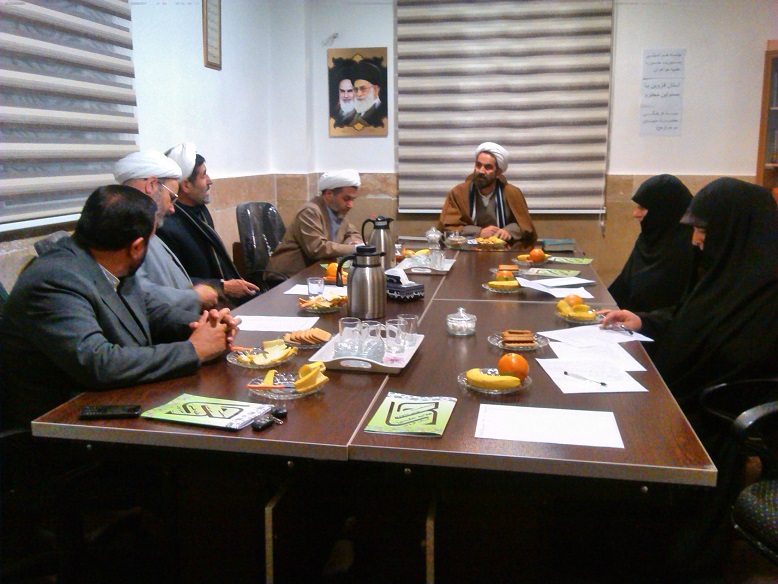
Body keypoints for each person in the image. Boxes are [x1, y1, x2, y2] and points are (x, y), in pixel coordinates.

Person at [602, 177, 778, 578]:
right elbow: (687, 316)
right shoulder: (726, 274)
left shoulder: (768, 292)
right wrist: (644, 320)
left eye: (703, 230)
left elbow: (738, 361)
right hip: (680, 399)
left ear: (734, 231)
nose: (696, 241)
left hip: (717, 423)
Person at [0, 185, 239, 431]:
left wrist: (205, 325)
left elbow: (151, 311)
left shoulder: (110, 261)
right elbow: (98, 363)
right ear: (136, 247)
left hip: (112, 408)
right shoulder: (54, 280)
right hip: (59, 428)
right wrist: (194, 350)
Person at [113, 151, 219, 314]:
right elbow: (138, 293)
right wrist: (194, 297)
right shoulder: (125, 230)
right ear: (151, 185)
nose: (172, 208)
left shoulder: (149, 226)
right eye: (171, 197)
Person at [157, 142, 259, 306]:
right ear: (186, 185)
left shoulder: (200, 211)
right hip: (201, 307)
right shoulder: (166, 224)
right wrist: (222, 286)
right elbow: (174, 281)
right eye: (203, 176)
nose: (210, 180)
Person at [607, 174, 694, 313]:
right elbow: (622, 286)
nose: (635, 213)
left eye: (642, 208)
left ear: (662, 210)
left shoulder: (686, 251)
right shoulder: (648, 240)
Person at [437, 142, 537, 249]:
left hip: (503, 249)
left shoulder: (512, 193)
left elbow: (525, 226)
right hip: (470, 247)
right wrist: (479, 232)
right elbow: (449, 227)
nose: (481, 171)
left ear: (498, 172)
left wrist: (508, 231)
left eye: (488, 167)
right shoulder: (458, 193)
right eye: (478, 165)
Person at [266, 169, 364, 278]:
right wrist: (356, 248)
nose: (350, 205)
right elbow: (317, 248)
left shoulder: (337, 210)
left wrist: (353, 243)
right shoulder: (310, 212)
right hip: (287, 277)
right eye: (346, 199)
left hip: (315, 273)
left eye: (352, 200)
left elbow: (351, 233)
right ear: (328, 194)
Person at [348, 61, 387, 129]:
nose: (358, 94)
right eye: (356, 89)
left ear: (375, 90)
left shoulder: (383, 112)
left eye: (363, 88)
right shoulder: (356, 113)